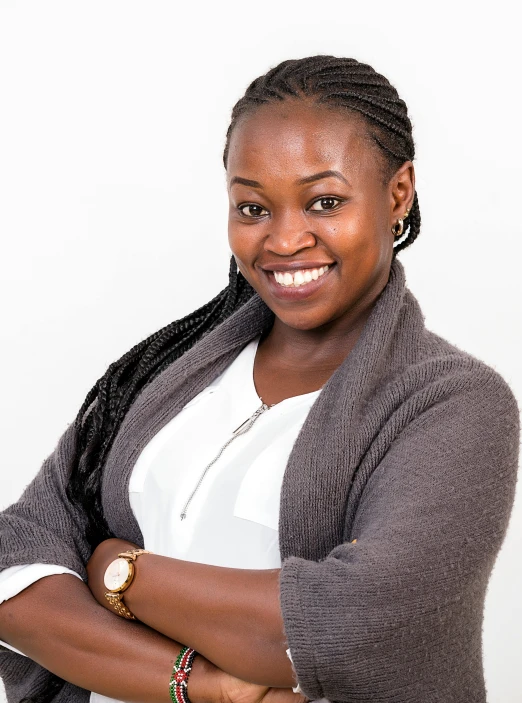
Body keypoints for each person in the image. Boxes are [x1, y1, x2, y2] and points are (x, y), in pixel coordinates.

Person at [0, 55, 519, 703]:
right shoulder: (161, 373)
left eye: (324, 201)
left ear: (398, 193)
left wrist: (117, 571)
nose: (285, 239)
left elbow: (348, 628)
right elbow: (13, 562)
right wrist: (206, 686)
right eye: (253, 207)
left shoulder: (455, 404)